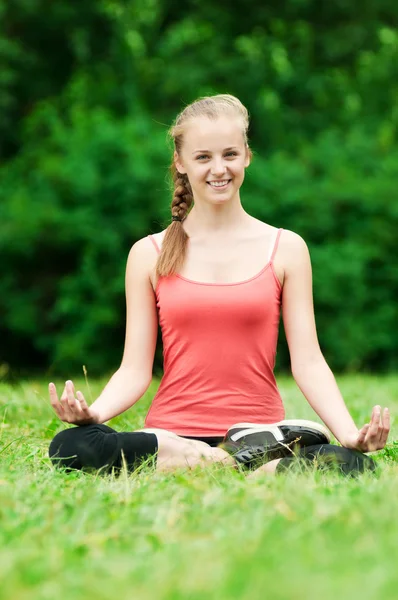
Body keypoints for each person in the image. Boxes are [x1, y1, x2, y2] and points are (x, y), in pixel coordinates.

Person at [48, 94, 390, 478]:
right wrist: (94, 414)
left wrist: (347, 433)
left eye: (229, 154)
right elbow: (134, 370)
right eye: (203, 157)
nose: (218, 169)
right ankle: (234, 465)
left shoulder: (286, 248)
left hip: (261, 429)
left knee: (354, 465)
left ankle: (241, 456)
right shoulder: (148, 254)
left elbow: (308, 361)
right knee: (69, 446)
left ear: (247, 155)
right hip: (170, 438)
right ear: (180, 162)